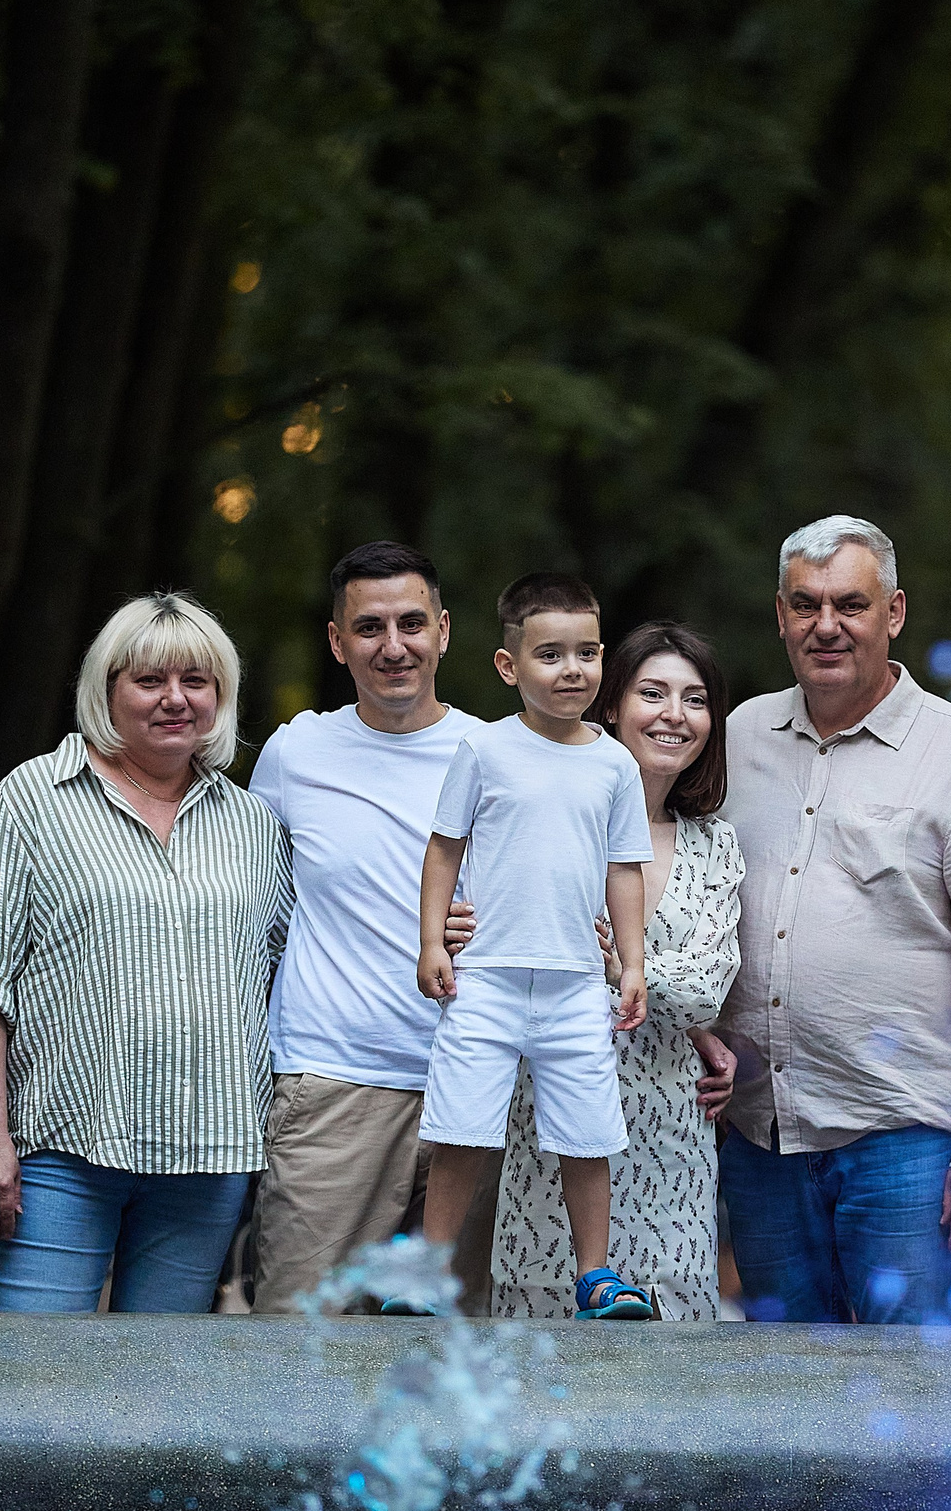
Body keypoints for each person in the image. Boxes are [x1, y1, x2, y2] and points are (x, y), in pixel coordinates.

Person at [713, 515, 951, 1325]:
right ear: (781, 615)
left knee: (916, 1407)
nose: (827, 626)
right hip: (762, 1141)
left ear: (892, 613)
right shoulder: (737, 738)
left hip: (907, 1144)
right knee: (788, 1405)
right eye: (806, 604)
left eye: (850, 605)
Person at [0, 591, 292, 1313]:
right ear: (107, 690)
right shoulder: (29, 801)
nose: (176, 700)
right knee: (37, 1380)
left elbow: (293, 965)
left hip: (211, 1152)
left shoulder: (254, 825)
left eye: (196, 682)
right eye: (149, 681)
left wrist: (438, 928)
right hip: (65, 1147)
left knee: (160, 1393)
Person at [407, 572, 655, 1321]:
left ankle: (595, 1274)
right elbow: (443, 849)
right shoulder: (483, 749)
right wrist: (431, 942)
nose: (572, 670)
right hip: (484, 977)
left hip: (578, 982)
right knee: (461, 1130)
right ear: (509, 666)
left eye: (586, 653)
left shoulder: (614, 763)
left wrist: (634, 962)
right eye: (550, 655)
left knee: (588, 1133)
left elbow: (624, 868)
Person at [246, 541, 483, 1313]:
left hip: (475, 1090)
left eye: (411, 623)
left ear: (444, 631)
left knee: (453, 1358)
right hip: (333, 1086)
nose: (393, 647)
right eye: (370, 627)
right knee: (299, 1340)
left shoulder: (500, 753)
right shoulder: (296, 752)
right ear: (336, 641)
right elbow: (252, 911)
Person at [491, 622, 744, 1321]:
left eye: (695, 700)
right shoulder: (545, 817)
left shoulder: (714, 842)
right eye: (652, 693)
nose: (674, 715)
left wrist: (618, 965)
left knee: (671, 1385)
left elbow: (707, 987)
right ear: (610, 706)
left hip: (671, 1141)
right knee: (541, 1377)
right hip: (554, 1135)